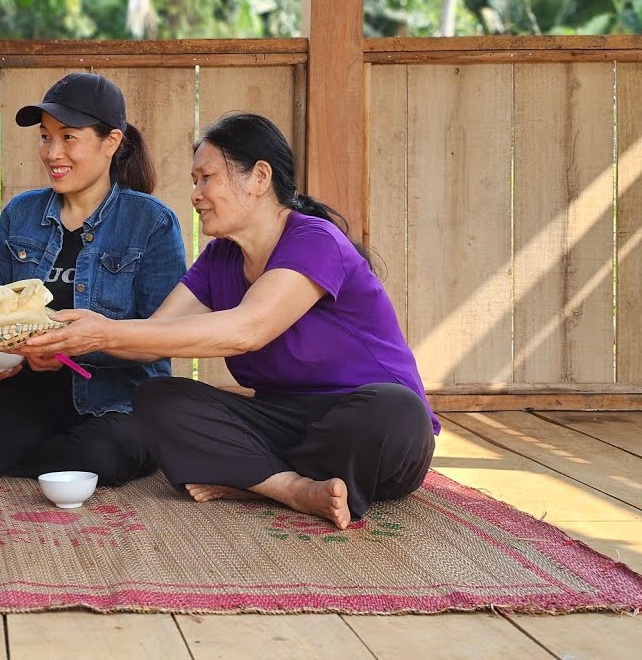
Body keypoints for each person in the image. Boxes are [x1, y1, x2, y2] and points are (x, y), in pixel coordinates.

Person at [24, 113, 435, 529]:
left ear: (259, 177)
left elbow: (248, 330)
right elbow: (152, 340)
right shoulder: (220, 258)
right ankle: (290, 488)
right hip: (282, 420)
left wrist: (106, 330)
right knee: (158, 398)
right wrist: (65, 338)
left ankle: (251, 476)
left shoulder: (315, 240)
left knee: (397, 412)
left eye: (206, 178)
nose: (196, 194)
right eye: (194, 181)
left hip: (366, 422)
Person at [0, 72, 187, 486]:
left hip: (118, 395)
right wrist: (0, 355)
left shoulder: (151, 221)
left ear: (112, 142)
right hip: (35, 387)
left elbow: (161, 337)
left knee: (102, 455)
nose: (52, 152)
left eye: (69, 137)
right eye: (45, 137)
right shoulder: (20, 214)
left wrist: (86, 342)